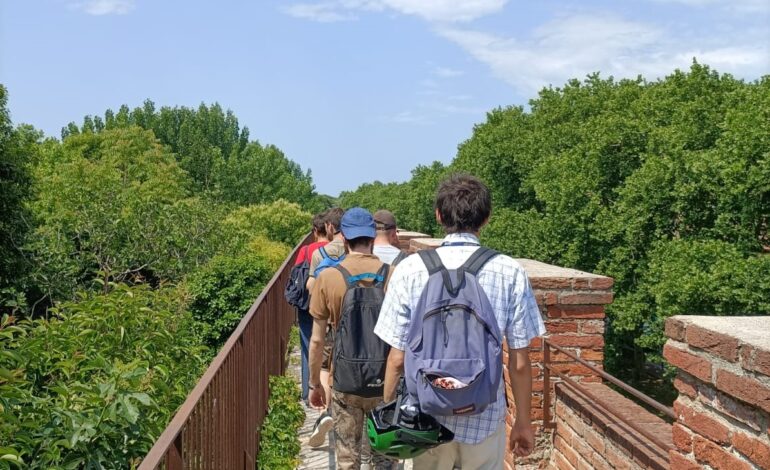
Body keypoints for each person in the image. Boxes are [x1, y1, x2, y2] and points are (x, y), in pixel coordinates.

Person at [374, 174, 546, 469]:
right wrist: (523, 422)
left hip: (423, 418)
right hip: (484, 415)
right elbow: (519, 361)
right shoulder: (509, 271)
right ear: (487, 218)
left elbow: (397, 359)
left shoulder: (410, 269)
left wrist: (390, 418)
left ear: (439, 216)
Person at [308, 208, 394, 470]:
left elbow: (316, 341)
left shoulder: (328, 277)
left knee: (347, 456)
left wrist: (315, 384)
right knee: (385, 456)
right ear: (372, 236)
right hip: (385, 378)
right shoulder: (393, 274)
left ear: (344, 238)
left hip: (345, 379)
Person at [305, 207, 345, 447]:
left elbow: (311, 285)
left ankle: (324, 412)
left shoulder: (320, 253)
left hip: (327, 318)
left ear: (330, 227)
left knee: (323, 364)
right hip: (349, 319)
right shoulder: (354, 251)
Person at [293, 210, 329, 403]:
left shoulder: (306, 251)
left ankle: (309, 393)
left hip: (308, 304)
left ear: (315, 230)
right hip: (329, 304)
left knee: (309, 345)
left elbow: (296, 275)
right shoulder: (335, 249)